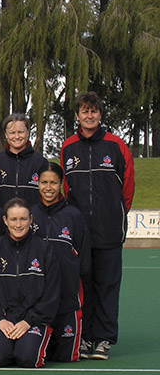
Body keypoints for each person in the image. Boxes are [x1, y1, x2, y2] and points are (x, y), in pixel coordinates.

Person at [60, 92, 134, 360]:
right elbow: (66, 189)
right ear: (77, 116)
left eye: (93, 111)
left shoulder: (117, 145)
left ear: (100, 114)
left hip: (109, 232)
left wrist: (116, 216)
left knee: (107, 286)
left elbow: (127, 189)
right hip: (80, 234)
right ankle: (84, 337)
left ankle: (103, 339)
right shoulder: (68, 147)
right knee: (83, 286)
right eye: (84, 111)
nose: (89, 116)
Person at [0, 198, 59, 368]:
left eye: (23, 219)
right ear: (5, 221)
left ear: (31, 219)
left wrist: (29, 321)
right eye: (13, 219)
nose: (18, 224)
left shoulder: (44, 249)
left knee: (27, 359)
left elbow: (51, 292)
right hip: (2, 321)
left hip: (32, 320)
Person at [30, 162, 90, 362]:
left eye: (53, 183)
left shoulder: (73, 216)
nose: (48, 187)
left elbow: (83, 258)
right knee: (31, 354)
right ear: (37, 183)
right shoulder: (29, 215)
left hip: (66, 299)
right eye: (44, 182)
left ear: (62, 183)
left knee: (66, 358)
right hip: (35, 301)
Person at [0, 113, 47, 208]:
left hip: (32, 220)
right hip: (0, 220)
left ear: (28, 133)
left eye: (21, 132)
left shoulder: (41, 163)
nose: (17, 136)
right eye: (12, 133)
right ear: (6, 134)